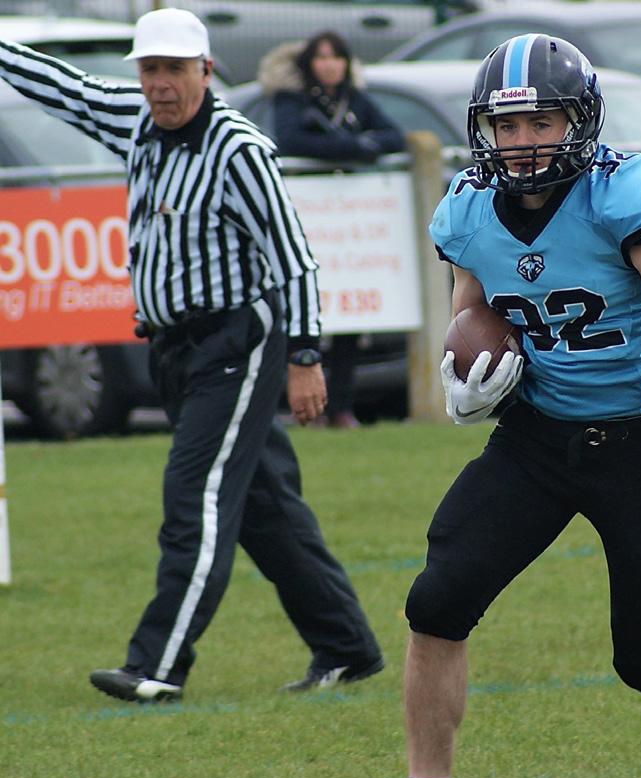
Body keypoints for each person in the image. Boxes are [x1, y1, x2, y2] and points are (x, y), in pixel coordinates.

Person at [332, 33, 641, 778]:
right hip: (536, 438)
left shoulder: (621, 197)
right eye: (507, 125)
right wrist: (466, 386)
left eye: (542, 121)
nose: (523, 141)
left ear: (580, 121)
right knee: (437, 599)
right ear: (484, 131)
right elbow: (470, 317)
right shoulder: (467, 208)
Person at [0, 7, 384, 701]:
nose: (160, 84)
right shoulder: (135, 117)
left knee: (194, 497)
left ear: (205, 70)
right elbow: (62, 87)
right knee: (267, 509)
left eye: (174, 69)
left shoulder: (238, 150)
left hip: (235, 341)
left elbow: (294, 260)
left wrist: (304, 356)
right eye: (150, 69)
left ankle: (157, 665)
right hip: (173, 348)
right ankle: (347, 648)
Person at [259, 30, 406, 428]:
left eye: (336, 57)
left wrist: (352, 143)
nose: (329, 65)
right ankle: (293, 406)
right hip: (308, 219)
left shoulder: (354, 99)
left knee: (348, 322)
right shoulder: (291, 98)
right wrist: (354, 146)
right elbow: (290, 141)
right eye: (321, 57)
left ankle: (339, 406)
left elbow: (394, 136)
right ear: (309, 63)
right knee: (297, 315)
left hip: (348, 228)